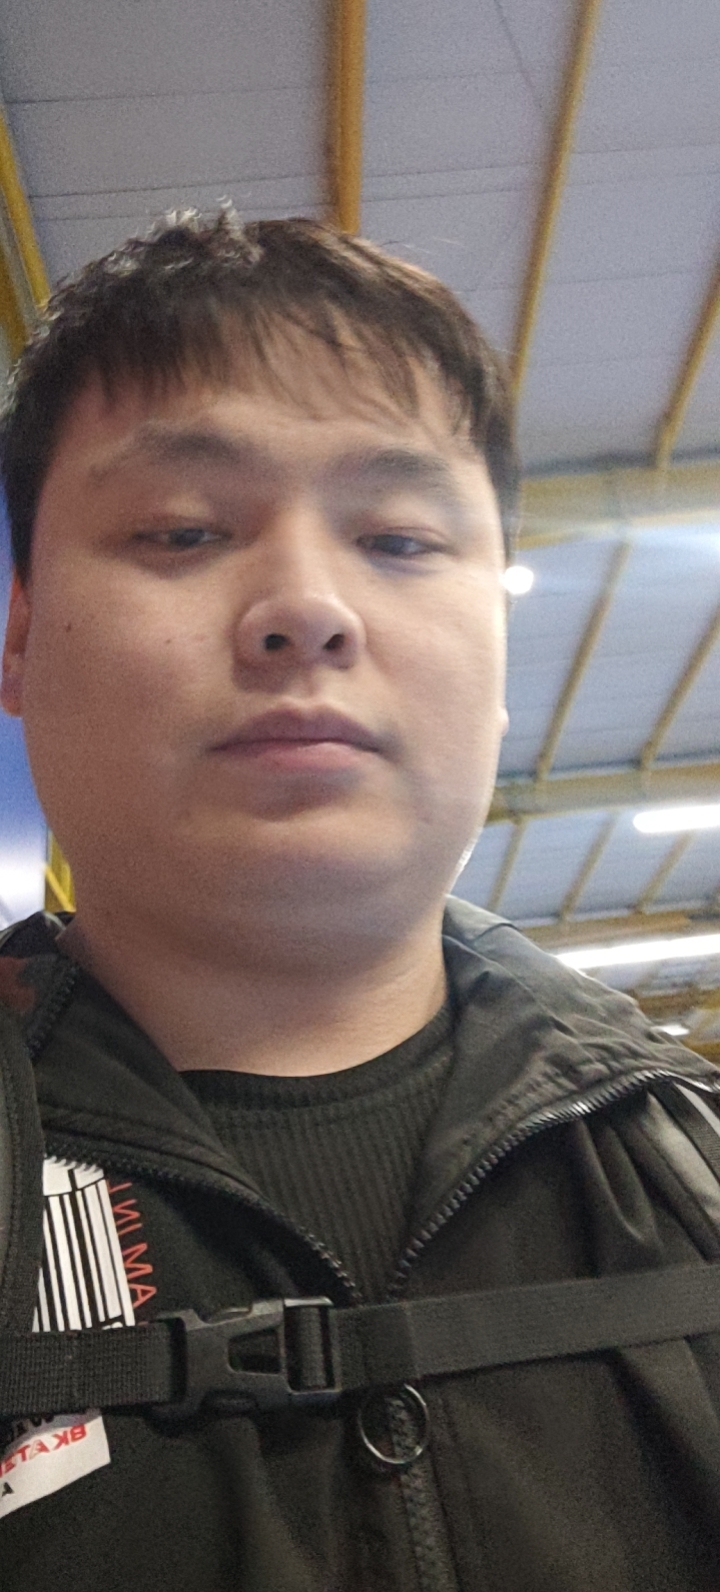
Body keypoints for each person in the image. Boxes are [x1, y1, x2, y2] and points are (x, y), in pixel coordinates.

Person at [1, 211, 720, 1592]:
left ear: (500, 652)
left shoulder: (691, 1174)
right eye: (181, 529)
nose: (305, 607)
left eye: (397, 539)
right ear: (21, 633)